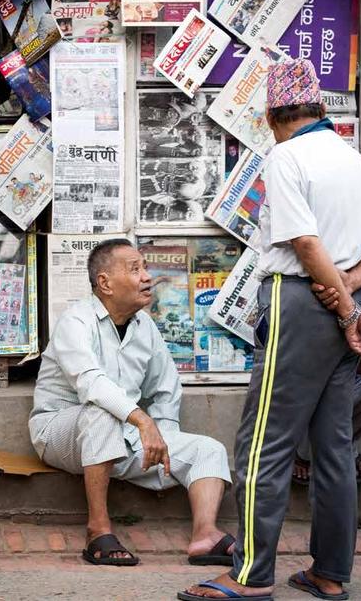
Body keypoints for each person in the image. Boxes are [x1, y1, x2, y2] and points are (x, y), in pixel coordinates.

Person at [180, 59, 361, 601]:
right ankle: (330, 574)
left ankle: (250, 577)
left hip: (301, 302)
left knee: (262, 446)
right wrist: (350, 292)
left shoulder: (286, 155)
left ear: (274, 115)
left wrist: (342, 308)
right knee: (334, 446)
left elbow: (303, 243)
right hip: (351, 297)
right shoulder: (353, 160)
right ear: (319, 109)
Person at [31, 239, 234, 567]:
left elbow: (166, 388)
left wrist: (162, 438)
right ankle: (98, 532)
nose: (147, 277)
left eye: (145, 268)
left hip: (124, 438)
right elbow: (90, 383)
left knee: (209, 450)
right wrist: (143, 421)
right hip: (61, 432)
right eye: (135, 269)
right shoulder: (76, 320)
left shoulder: (145, 326)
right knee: (102, 412)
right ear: (105, 283)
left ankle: (205, 534)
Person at [292, 281, 361, 484]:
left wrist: (349, 361)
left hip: (351, 387)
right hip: (308, 389)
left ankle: (316, 451)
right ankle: (332, 451)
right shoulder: (305, 288)